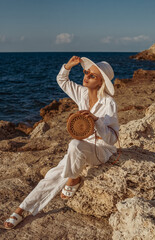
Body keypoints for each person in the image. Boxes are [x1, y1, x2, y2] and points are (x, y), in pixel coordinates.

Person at [4, 56, 119, 229]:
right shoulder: (81, 93)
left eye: (92, 76)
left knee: (74, 145)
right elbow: (62, 81)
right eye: (86, 72)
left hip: (101, 151)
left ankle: (73, 178)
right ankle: (20, 210)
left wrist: (96, 121)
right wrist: (67, 66)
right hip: (80, 148)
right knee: (53, 175)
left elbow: (112, 138)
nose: (86, 76)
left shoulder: (109, 103)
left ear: (101, 81)